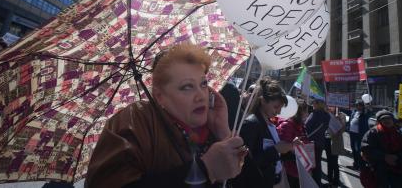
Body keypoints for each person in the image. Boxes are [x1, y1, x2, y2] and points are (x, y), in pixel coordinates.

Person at [85, 43, 246, 187]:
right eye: (186, 86)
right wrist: (205, 170)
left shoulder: (207, 128)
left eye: (203, 83)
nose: (201, 95)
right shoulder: (136, 119)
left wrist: (223, 131)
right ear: (159, 95)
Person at [232, 77, 299, 188]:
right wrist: (276, 149)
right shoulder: (251, 124)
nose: (278, 112)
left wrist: (290, 147)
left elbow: (273, 156)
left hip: (272, 180)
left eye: (280, 108)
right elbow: (246, 163)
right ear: (263, 101)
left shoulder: (270, 124)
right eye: (276, 107)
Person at [361, 110, 402, 188]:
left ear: (393, 120)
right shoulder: (373, 132)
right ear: (379, 121)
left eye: (389, 118)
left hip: (396, 170)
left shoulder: (398, 133)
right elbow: (366, 149)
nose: (387, 121)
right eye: (384, 119)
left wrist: (397, 157)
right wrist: (384, 157)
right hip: (379, 171)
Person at [277, 100, 309, 188]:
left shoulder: (301, 125)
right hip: (289, 169)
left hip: (300, 168)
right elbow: (282, 149)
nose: (307, 114)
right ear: (299, 112)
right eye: (306, 111)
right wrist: (293, 145)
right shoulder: (286, 125)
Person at [305, 98, 331, 186]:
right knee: (318, 164)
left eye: (314, 103)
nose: (312, 104)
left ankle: (312, 183)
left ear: (317, 104)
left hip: (311, 142)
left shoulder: (314, 114)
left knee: (310, 164)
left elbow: (306, 127)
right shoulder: (327, 116)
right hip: (320, 142)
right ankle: (318, 183)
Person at [325, 107, 346, 188]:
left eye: (333, 106)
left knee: (334, 162)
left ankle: (336, 182)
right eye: (330, 105)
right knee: (329, 161)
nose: (331, 107)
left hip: (335, 141)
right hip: (327, 139)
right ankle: (329, 180)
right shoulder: (327, 114)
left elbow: (343, 129)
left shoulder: (341, 115)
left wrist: (338, 120)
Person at [349, 99, 370, 170]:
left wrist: (368, 109)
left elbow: (369, 114)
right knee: (353, 149)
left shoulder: (365, 113)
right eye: (357, 105)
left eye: (360, 105)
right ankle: (355, 164)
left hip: (360, 134)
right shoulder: (354, 112)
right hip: (352, 133)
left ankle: (362, 165)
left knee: (358, 150)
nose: (358, 107)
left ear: (363, 106)